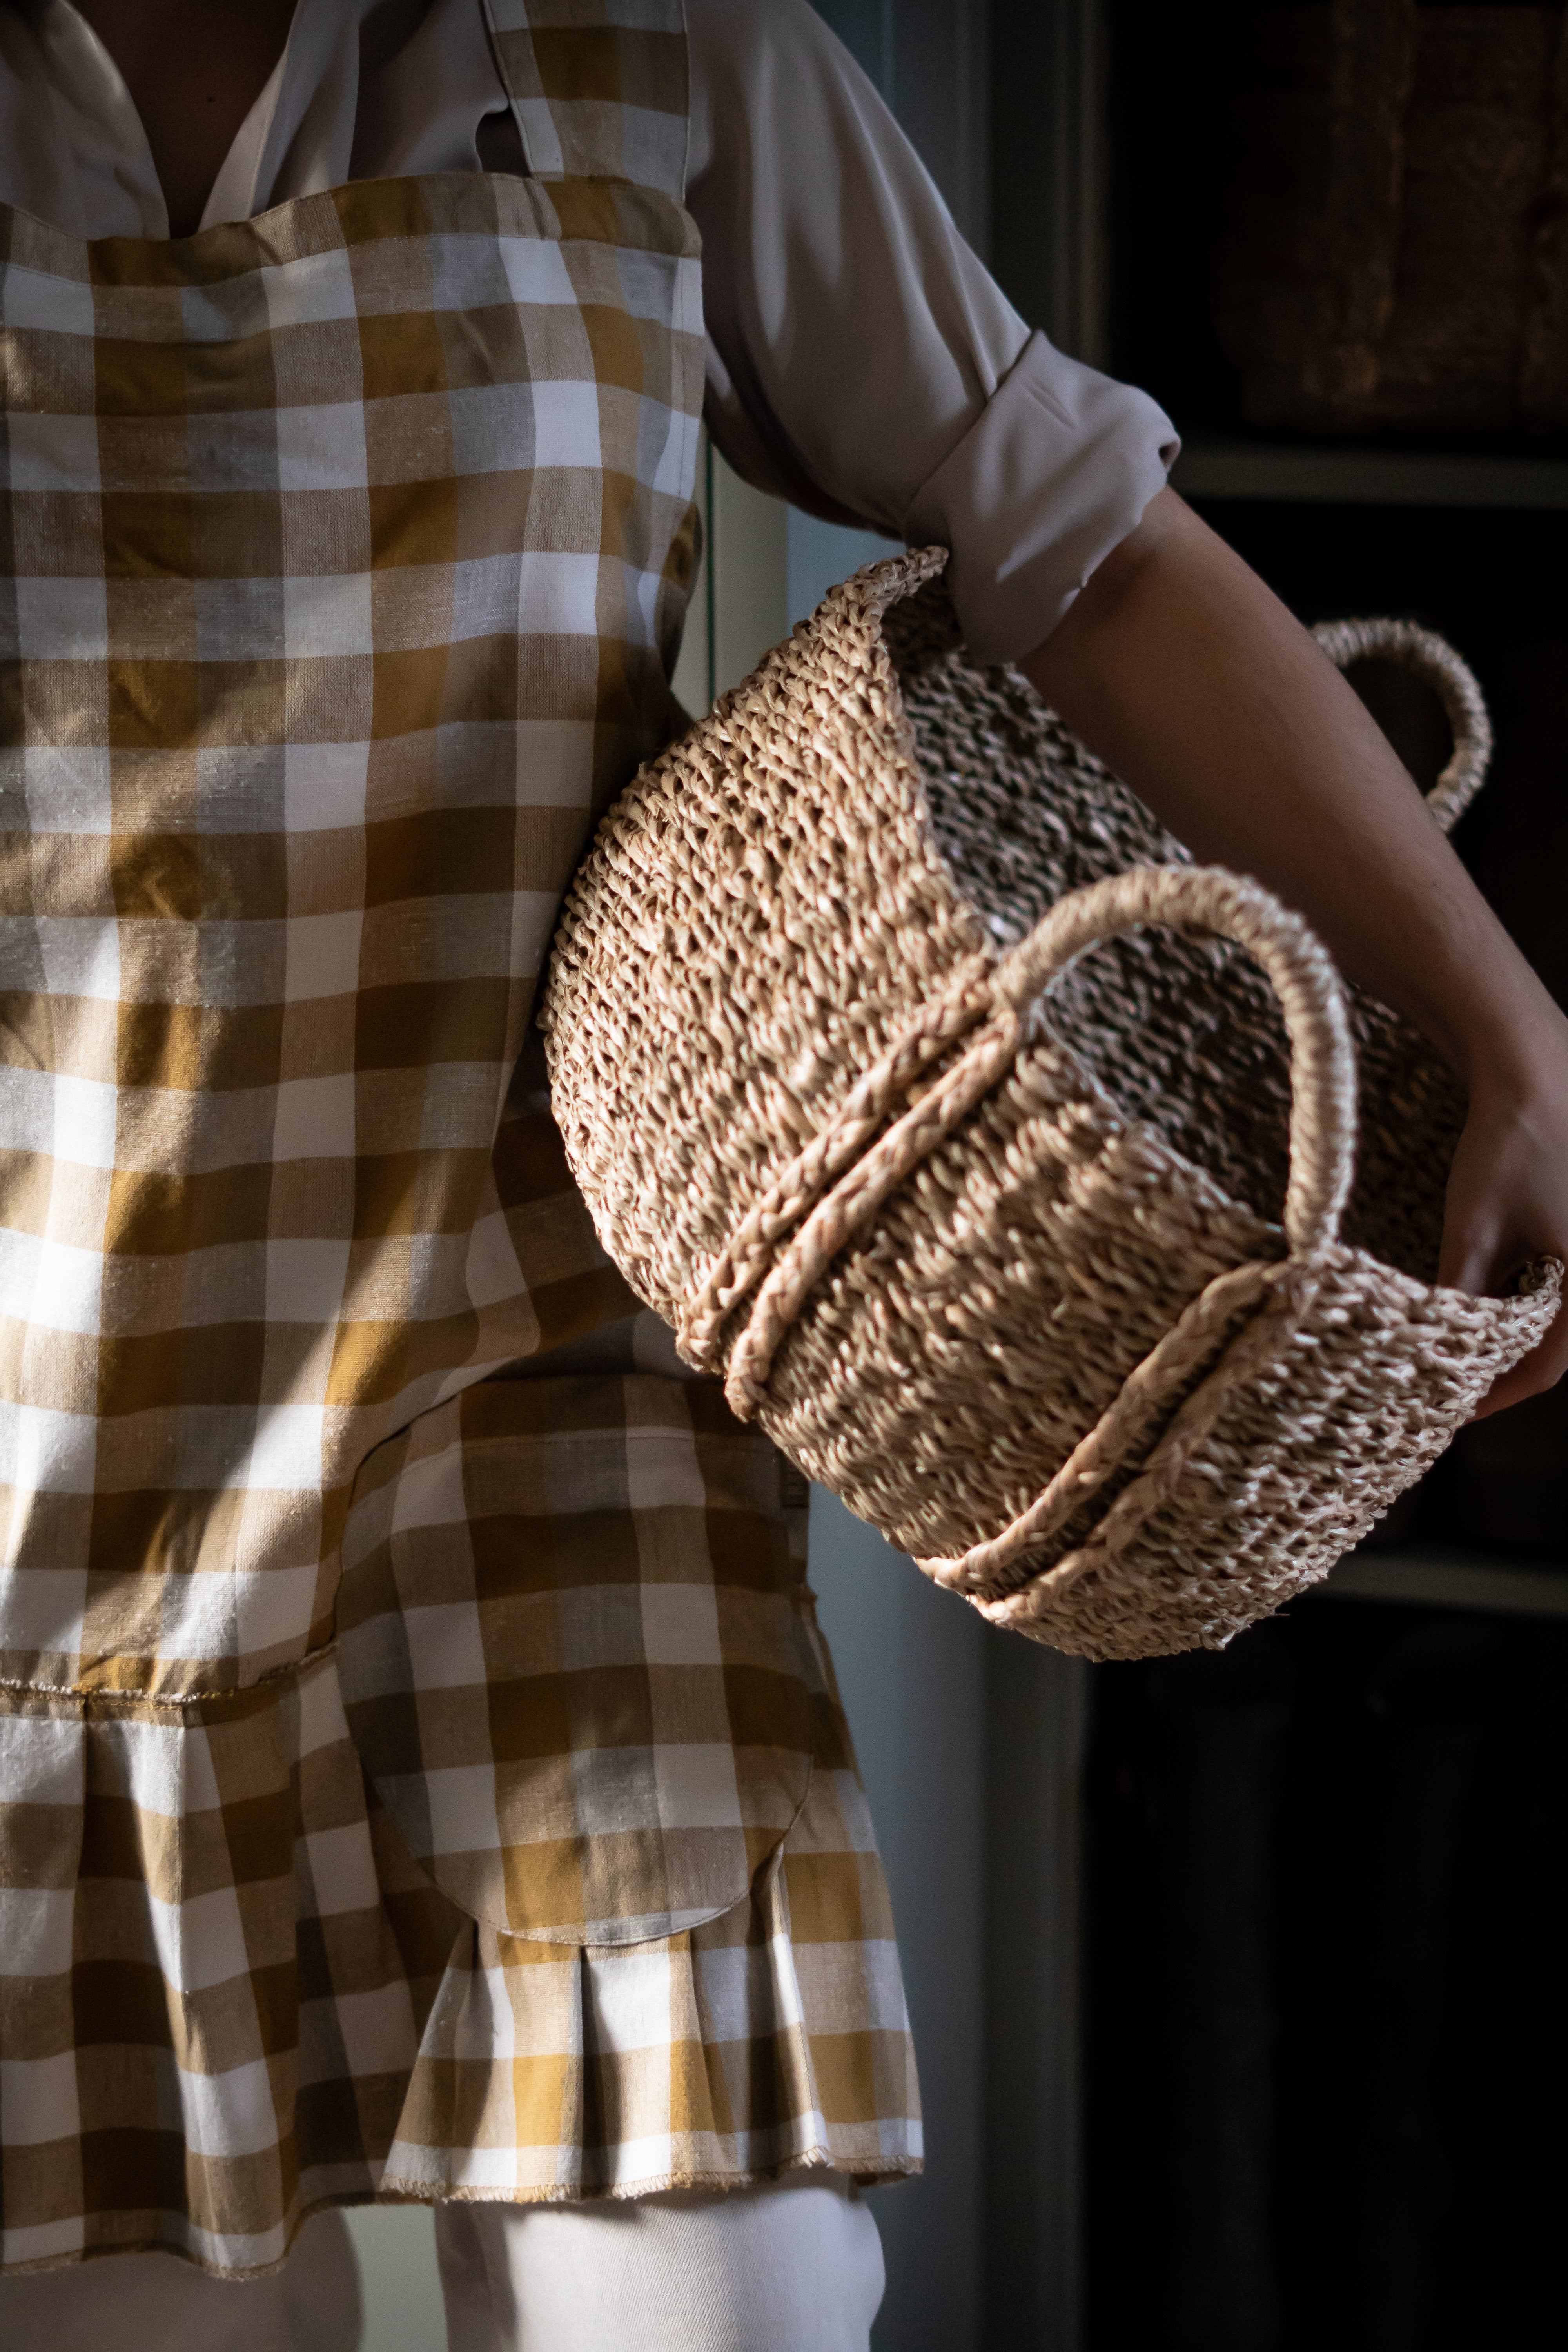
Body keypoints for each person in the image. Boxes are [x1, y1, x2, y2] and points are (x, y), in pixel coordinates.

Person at [0, 4, 1563, 2348]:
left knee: (737, 2310)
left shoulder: (658, 42)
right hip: (47, 1503)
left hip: (544, 1435)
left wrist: (1504, 1019)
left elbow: (1088, 547)